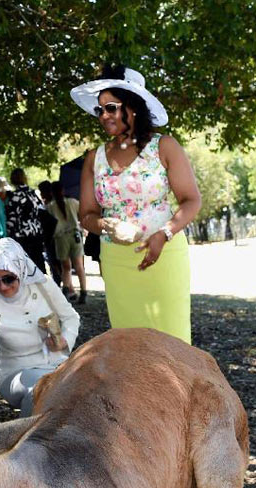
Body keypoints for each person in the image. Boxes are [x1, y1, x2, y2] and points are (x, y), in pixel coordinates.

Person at [72, 64, 201, 343]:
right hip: (116, 262)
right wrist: (106, 225)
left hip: (164, 256)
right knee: (129, 346)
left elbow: (192, 200)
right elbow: (86, 215)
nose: (103, 115)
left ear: (133, 107)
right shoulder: (95, 158)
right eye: (99, 110)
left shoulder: (164, 147)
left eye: (111, 107)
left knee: (173, 343)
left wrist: (164, 233)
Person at [0, 238, 79, 416]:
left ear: (21, 271)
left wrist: (64, 342)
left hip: (58, 364)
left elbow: (71, 318)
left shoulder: (43, 286)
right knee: (41, 389)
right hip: (16, 372)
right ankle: (27, 441)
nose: (2, 286)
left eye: (8, 279)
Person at [49, 181, 87, 304]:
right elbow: (82, 215)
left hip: (60, 238)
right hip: (75, 235)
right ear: (63, 190)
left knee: (66, 268)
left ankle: (65, 292)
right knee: (79, 267)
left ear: (52, 193)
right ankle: (83, 292)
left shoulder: (50, 207)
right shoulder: (72, 202)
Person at [5, 168, 47, 273]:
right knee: (39, 265)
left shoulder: (15, 196)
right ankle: (43, 288)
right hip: (37, 234)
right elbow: (41, 211)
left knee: (25, 268)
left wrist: (9, 236)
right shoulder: (33, 194)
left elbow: (11, 220)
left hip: (22, 237)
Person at [36, 180, 62, 287]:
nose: (41, 195)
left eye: (42, 192)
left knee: (54, 264)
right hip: (58, 238)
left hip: (52, 239)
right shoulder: (57, 203)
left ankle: (58, 284)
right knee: (58, 264)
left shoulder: (49, 207)